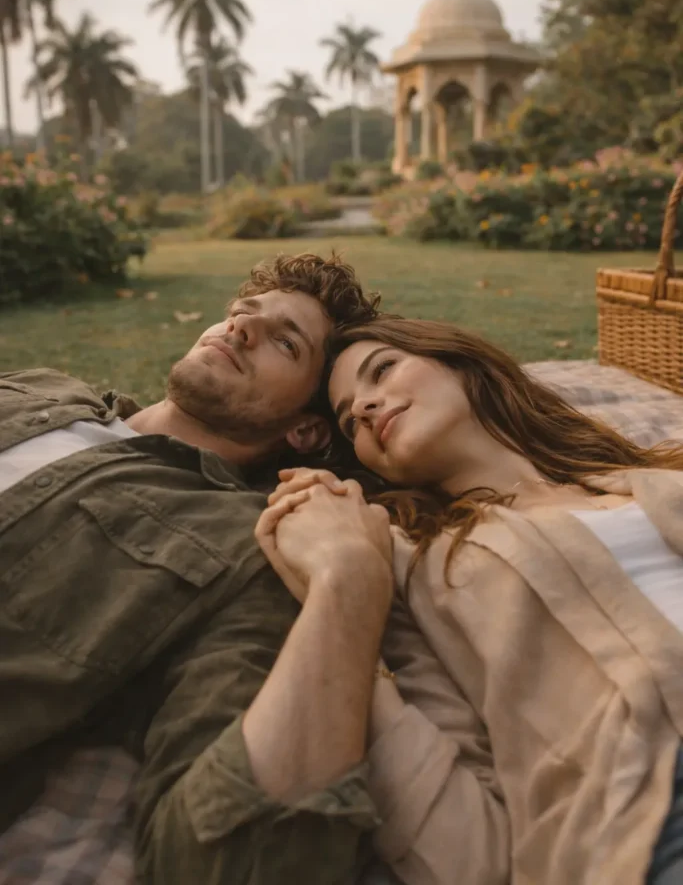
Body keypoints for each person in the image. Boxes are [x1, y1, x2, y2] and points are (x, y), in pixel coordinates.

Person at [0, 252, 393, 885]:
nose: (240, 330)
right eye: (243, 313)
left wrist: (350, 584)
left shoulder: (238, 548)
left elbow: (236, 857)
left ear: (305, 432)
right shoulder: (44, 389)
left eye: (284, 343)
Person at [258, 315, 683, 885]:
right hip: (653, 806)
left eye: (381, 371)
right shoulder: (419, 564)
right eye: (347, 417)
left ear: (460, 361)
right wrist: (343, 584)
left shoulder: (650, 471)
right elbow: (459, 833)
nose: (362, 408)